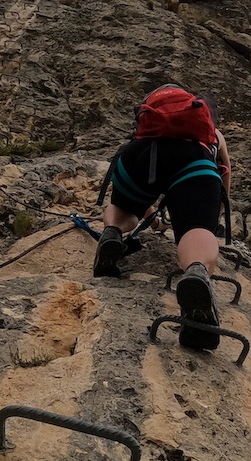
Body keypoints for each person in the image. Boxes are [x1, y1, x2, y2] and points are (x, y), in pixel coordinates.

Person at [93, 85, 231, 351]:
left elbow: (149, 188)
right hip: (194, 161)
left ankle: (112, 232)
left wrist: (153, 220)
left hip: (138, 156)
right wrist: (212, 214)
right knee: (196, 229)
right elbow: (225, 169)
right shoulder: (210, 132)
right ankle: (197, 272)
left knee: (124, 209)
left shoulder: (150, 126)